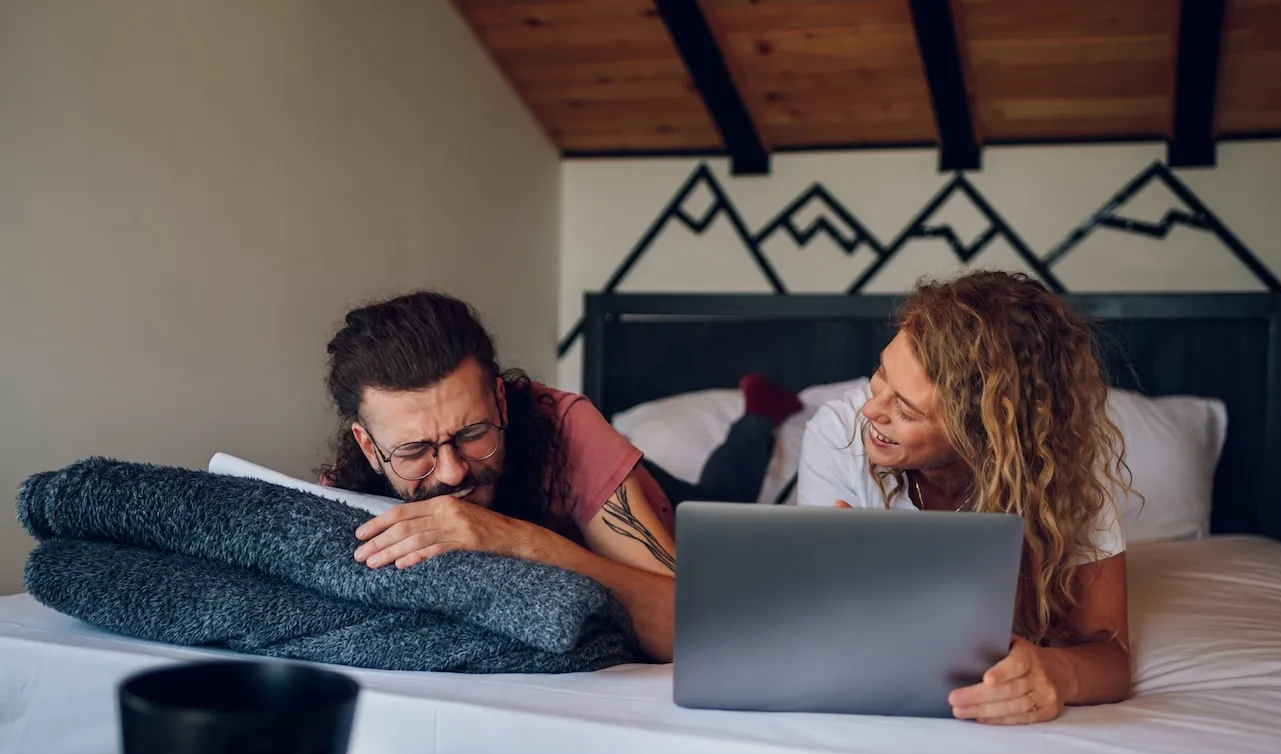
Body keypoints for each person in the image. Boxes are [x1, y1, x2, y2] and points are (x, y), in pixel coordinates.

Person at [319, 290, 798, 662]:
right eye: (415, 450)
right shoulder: (344, 491)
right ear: (369, 447)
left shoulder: (566, 425)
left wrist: (520, 542)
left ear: (501, 403)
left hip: (669, 508)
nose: (451, 471)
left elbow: (692, 624)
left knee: (721, 494)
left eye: (472, 433)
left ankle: (760, 410)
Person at [796, 270, 1132, 725]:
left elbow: (1110, 656)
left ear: (984, 434)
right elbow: (819, 630)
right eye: (880, 375)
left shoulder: (1063, 470)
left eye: (907, 409)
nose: (871, 411)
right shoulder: (838, 434)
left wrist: (1056, 671)